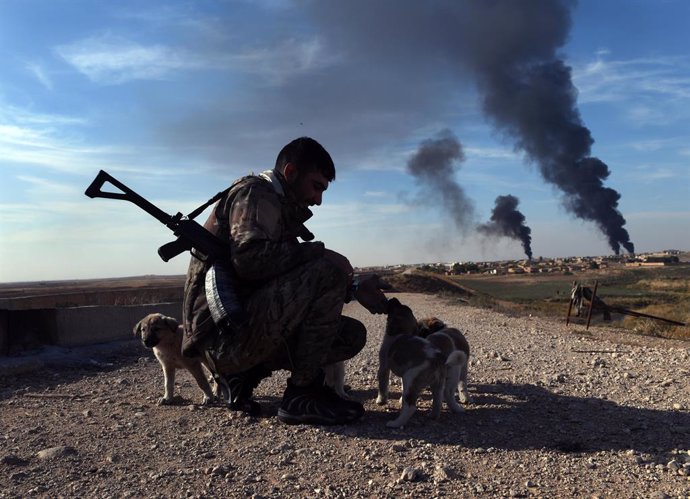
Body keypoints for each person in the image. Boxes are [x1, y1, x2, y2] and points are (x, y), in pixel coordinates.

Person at [182, 137, 389, 425]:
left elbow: (290, 286)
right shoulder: (255, 194)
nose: (319, 199)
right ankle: (302, 395)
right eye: (317, 186)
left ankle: (244, 376)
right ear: (290, 173)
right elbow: (251, 261)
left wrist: (353, 287)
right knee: (326, 270)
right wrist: (324, 254)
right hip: (222, 340)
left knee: (349, 335)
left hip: (238, 330)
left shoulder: (278, 207)